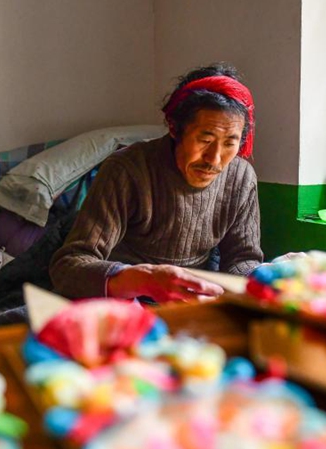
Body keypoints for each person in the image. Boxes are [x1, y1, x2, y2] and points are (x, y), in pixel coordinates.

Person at [49, 63, 263, 303]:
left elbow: (242, 260)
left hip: (193, 298)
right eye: (205, 139)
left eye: (229, 143)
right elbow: (69, 265)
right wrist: (141, 279)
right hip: (127, 296)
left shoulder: (241, 177)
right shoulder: (127, 170)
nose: (214, 159)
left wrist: (273, 278)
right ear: (174, 128)